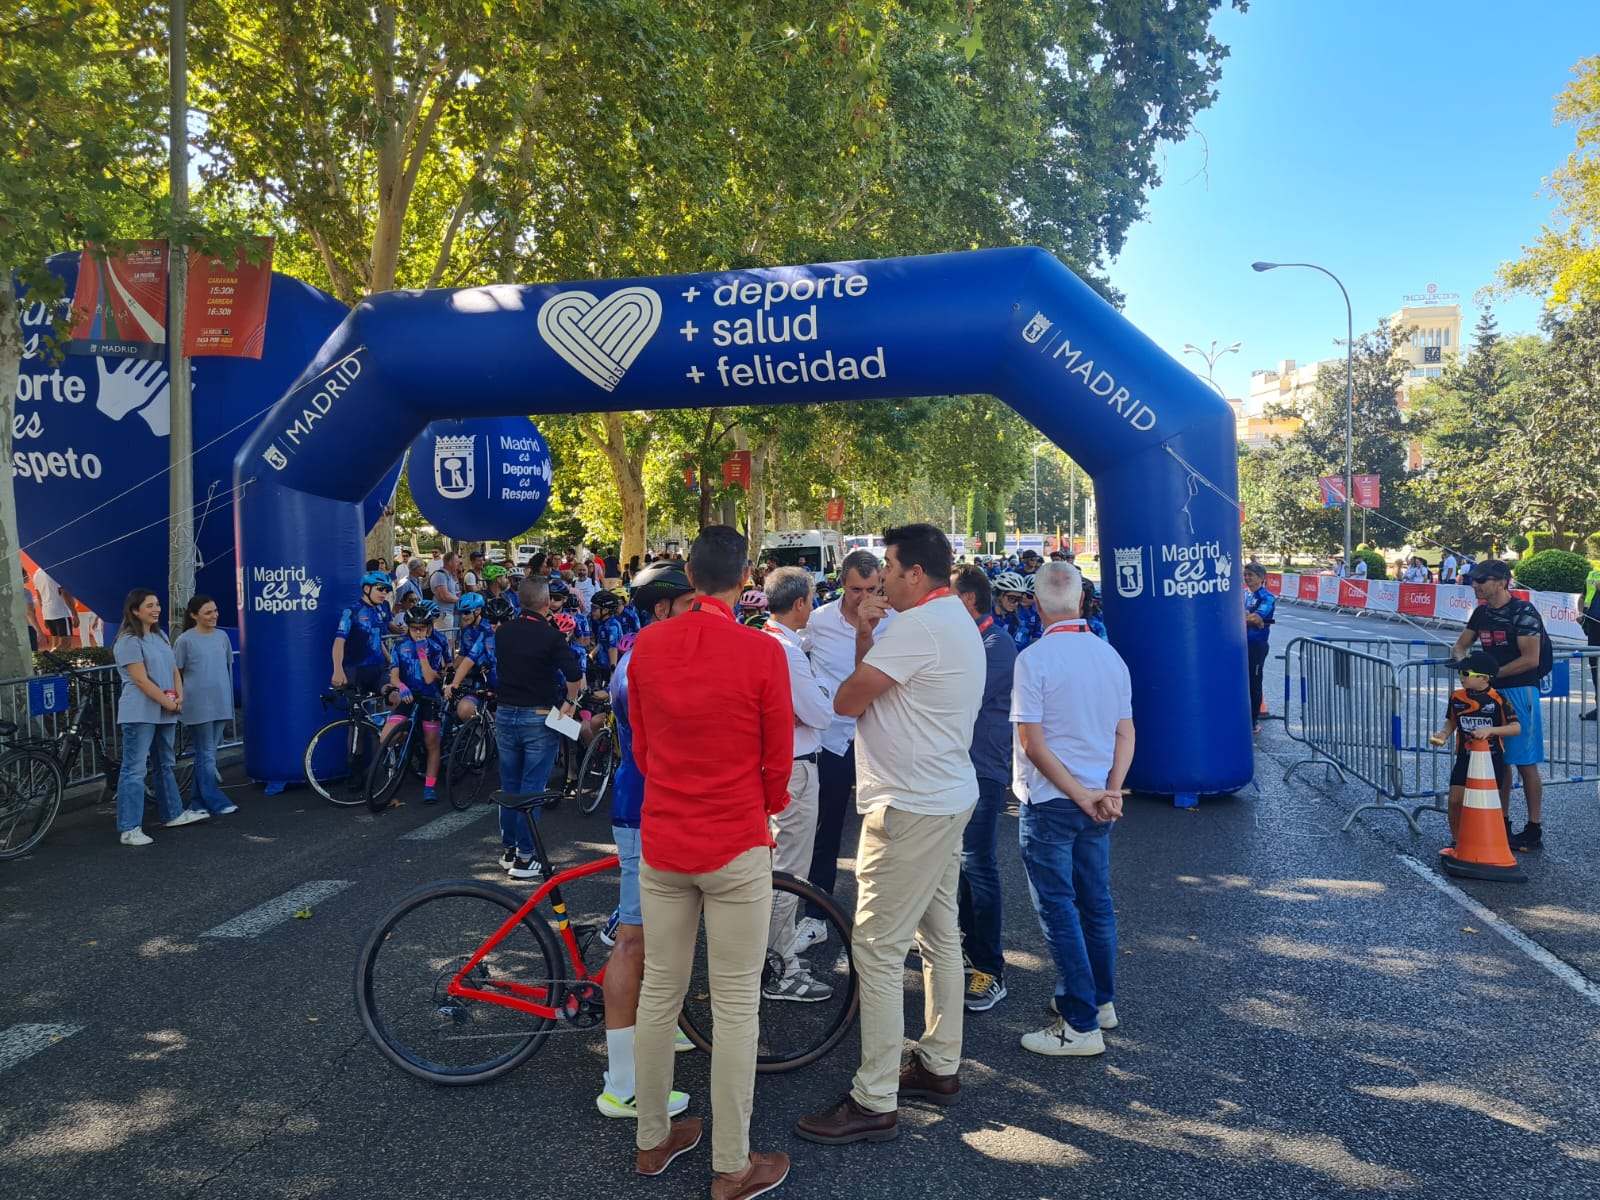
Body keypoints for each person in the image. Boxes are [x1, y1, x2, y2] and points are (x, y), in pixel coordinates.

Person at [795, 524, 983, 1146]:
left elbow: (847, 701)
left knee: (875, 949)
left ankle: (874, 1097)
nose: (879, 581)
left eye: (890, 567)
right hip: (943, 796)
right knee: (940, 935)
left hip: (909, 808)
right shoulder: (950, 618)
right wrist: (872, 635)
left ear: (914, 574)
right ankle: (938, 1064)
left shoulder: (921, 628)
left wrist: (865, 634)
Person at [626, 526, 794, 1198]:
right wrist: (761, 803)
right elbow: (778, 762)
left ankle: (651, 1139)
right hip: (734, 841)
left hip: (664, 839)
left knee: (659, 993)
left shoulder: (647, 643)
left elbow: (639, 746)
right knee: (734, 1007)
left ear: (688, 576)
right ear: (744, 575)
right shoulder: (761, 651)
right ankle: (732, 1164)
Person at [1011, 562, 1133, 1057]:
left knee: (1058, 909)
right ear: (1081, 601)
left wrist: (1083, 793)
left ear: (1036, 606)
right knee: (1095, 903)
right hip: (1097, 800)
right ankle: (1100, 1002)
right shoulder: (1110, 657)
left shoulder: (1034, 659)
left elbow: (1032, 744)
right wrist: (1111, 790)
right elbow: (1125, 732)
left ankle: (1080, 1023)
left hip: (1050, 800)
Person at [596, 559, 697, 1122]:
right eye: (687, 603)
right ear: (662, 608)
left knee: (660, 936)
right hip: (642, 811)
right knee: (633, 943)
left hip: (649, 807)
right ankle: (621, 1085)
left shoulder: (647, 653)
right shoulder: (641, 666)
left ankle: (665, 1026)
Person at [793, 549, 886, 954]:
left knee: (888, 829)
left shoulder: (896, 622)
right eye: (854, 589)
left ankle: (892, 918)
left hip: (879, 739)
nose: (863, 597)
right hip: (831, 739)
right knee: (824, 829)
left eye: (871, 588)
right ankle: (817, 917)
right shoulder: (818, 620)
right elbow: (795, 658)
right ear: (841, 583)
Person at [760, 567, 837, 1001]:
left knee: (781, 866)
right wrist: (821, 688)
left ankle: (780, 955)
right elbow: (822, 714)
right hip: (796, 766)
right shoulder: (787, 652)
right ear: (800, 603)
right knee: (789, 872)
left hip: (782, 763)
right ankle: (780, 968)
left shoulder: (768, 640)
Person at [949, 563, 1016, 1013]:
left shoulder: (996, 644)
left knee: (978, 865)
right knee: (959, 865)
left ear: (968, 600)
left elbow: (956, 697)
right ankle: (968, 950)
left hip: (982, 770)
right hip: (957, 769)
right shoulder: (972, 639)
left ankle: (990, 969)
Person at [1450, 559, 1549, 849]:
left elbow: (1530, 659)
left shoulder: (1523, 611)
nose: (1474, 585)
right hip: (1490, 694)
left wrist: (1490, 676)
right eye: (1473, 579)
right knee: (1499, 760)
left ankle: (1533, 827)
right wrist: (1465, 668)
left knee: (1524, 762)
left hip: (1519, 691)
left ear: (1501, 581)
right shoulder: (1481, 613)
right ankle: (1500, 820)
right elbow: (1460, 646)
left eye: (1481, 579)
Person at [493, 576, 584, 877]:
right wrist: (569, 704)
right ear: (547, 603)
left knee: (510, 785)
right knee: (532, 788)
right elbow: (573, 675)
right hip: (540, 715)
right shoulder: (551, 635)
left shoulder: (502, 632)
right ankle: (525, 857)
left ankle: (508, 851)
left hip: (505, 714)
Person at [112, 589, 208, 845]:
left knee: (164, 763)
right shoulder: (128, 640)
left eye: (157, 605)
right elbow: (140, 679)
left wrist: (179, 696)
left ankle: (173, 813)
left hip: (165, 711)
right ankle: (129, 827)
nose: (156, 609)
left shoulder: (160, 636)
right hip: (140, 713)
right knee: (134, 769)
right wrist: (169, 702)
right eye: (150, 606)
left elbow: (173, 669)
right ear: (135, 610)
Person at [1428, 650, 1520, 846]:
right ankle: (1457, 840)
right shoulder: (1457, 697)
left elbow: (1515, 728)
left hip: (1490, 760)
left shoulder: (1499, 699)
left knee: (1483, 804)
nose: (1461, 678)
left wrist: (1491, 730)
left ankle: (1485, 842)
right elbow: (1452, 722)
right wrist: (1443, 734)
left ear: (1484, 678)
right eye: (1460, 674)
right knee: (1454, 800)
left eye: (1466, 674)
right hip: (1464, 756)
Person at [173, 595, 239, 818]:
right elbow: (177, 673)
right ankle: (215, 800)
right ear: (194, 615)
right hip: (197, 704)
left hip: (221, 701)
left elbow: (226, 667)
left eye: (215, 610)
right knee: (207, 753)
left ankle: (196, 801)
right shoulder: (185, 640)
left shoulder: (222, 636)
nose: (214, 615)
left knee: (207, 754)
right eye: (208, 612)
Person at [331, 571, 394, 694]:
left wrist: (392, 661)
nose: (384, 593)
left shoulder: (379, 611)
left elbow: (378, 639)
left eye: (387, 590)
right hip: (355, 671)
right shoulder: (351, 612)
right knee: (358, 711)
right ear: (366, 588)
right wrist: (337, 669)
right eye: (381, 589)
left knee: (395, 697)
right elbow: (339, 642)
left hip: (378, 670)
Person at [1243, 562, 1276, 735]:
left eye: (1251, 575)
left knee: (1254, 683)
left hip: (1256, 646)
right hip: (1238, 645)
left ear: (1261, 578)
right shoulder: (1241, 594)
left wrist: (1240, 617)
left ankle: (1254, 720)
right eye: (1245, 575)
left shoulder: (1267, 597)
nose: (1247, 578)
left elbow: (1256, 618)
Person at [34, 565, 76, 651]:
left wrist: (44, 615)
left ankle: (52, 663)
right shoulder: (55, 571)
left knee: (55, 644)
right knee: (65, 644)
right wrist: (74, 613)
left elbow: (39, 597)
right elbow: (65, 593)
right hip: (60, 612)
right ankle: (48, 661)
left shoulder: (36, 574)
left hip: (48, 612)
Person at [1581, 559, 1600, 721]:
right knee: (1595, 668)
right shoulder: (1594, 574)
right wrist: (1580, 613)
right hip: (1594, 627)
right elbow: (1584, 595)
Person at [430, 552, 461, 628]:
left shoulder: (448, 576)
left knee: (450, 638)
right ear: (450, 562)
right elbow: (445, 596)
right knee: (447, 639)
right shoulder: (440, 575)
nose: (458, 564)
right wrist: (460, 600)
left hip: (448, 613)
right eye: (456, 562)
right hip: (443, 614)